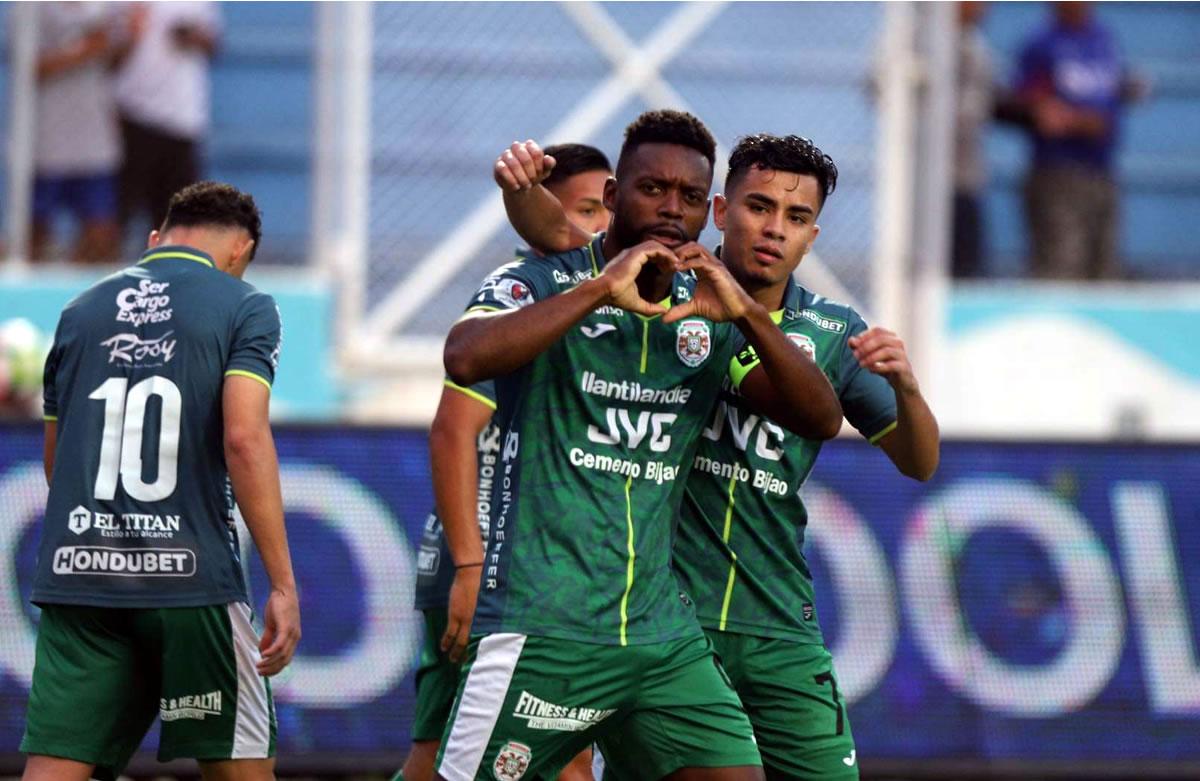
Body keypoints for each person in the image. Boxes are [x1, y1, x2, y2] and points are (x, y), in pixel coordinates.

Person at [498, 133, 940, 780]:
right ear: (722, 211)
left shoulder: (831, 332)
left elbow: (919, 459)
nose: (773, 229)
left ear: (812, 236)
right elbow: (570, 236)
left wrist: (904, 385)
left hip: (779, 621)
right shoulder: (661, 290)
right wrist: (521, 191)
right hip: (668, 626)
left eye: (794, 218)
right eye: (759, 207)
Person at [435, 109, 842, 781]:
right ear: (615, 194)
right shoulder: (547, 279)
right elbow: (464, 356)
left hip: (661, 639)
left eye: (688, 197)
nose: (670, 209)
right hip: (546, 627)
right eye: (652, 189)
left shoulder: (704, 309)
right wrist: (600, 289)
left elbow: (819, 416)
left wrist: (745, 313)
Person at [21, 182, 301, 781]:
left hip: (80, 577)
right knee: (241, 769)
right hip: (191, 580)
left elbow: (57, 461)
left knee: (53, 771)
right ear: (239, 252)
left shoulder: (78, 313)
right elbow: (244, 438)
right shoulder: (245, 305)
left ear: (155, 240)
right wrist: (282, 581)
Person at [397, 143, 613, 781]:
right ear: (539, 213)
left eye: (608, 210)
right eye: (584, 209)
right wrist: (472, 561)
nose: (597, 227)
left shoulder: (596, 305)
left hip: (487, 565)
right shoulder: (523, 297)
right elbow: (450, 431)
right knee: (564, 753)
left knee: (435, 755)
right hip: (496, 568)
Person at [1015, 2, 1133, 280]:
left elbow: (1112, 96)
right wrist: (1078, 121)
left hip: (1101, 169)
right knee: (1061, 267)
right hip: (1057, 171)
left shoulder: (1104, 39)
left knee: (1104, 266)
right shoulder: (1041, 44)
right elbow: (1030, 103)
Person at [30, 2, 127, 263]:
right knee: (35, 230)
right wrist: (87, 48)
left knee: (100, 231)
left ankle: (84, 300)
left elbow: (117, 63)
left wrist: (122, 41)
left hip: (95, 136)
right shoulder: (31, 9)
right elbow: (30, 68)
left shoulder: (105, 8)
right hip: (46, 138)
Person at [114, 2, 220, 234]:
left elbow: (214, 43)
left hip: (183, 118)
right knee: (118, 214)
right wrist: (130, 36)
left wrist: (192, 36)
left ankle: (169, 268)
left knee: (178, 220)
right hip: (135, 111)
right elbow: (107, 52)